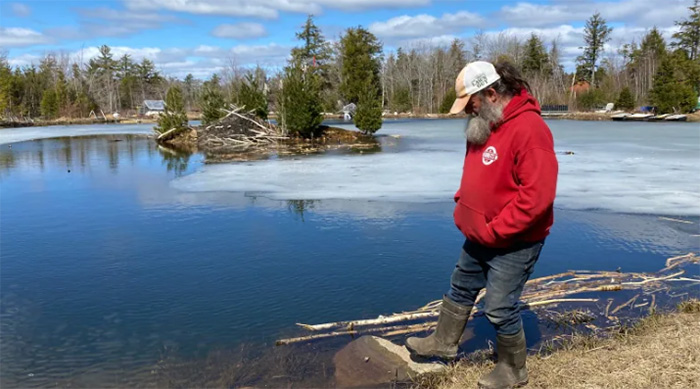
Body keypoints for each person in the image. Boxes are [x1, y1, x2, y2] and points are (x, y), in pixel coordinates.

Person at [405, 61, 558, 389]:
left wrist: (496, 229)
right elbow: (476, 173)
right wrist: (464, 204)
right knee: (460, 286)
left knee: (500, 306)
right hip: (480, 234)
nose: (466, 111)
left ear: (490, 93)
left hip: (515, 239)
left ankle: (512, 370)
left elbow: (538, 196)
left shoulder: (529, 129)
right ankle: (443, 343)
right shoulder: (485, 122)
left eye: (470, 102)